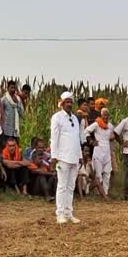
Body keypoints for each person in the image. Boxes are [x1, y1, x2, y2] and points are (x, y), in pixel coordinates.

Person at [50, 91, 84, 224]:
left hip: (74, 157)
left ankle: (69, 213)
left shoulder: (75, 118)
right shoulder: (57, 117)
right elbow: (54, 138)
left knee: (71, 187)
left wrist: (80, 156)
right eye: (67, 102)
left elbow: (77, 139)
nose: (69, 104)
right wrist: (54, 157)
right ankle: (60, 214)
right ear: (62, 103)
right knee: (62, 186)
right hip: (62, 157)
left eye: (71, 102)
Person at [84, 107, 115, 198]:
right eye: (104, 114)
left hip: (107, 152)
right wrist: (91, 141)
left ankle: (105, 192)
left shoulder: (110, 126)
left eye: (107, 115)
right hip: (98, 151)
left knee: (107, 173)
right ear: (101, 115)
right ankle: (98, 193)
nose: (105, 116)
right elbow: (86, 131)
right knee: (98, 174)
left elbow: (112, 137)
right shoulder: (96, 124)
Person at [1, 80, 25, 147]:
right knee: (6, 148)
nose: (13, 90)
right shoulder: (4, 100)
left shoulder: (18, 99)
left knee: (16, 148)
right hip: (6, 130)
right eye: (11, 88)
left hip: (15, 131)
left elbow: (22, 113)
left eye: (14, 88)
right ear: (7, 88)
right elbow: (0, 114)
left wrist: (17, 103)